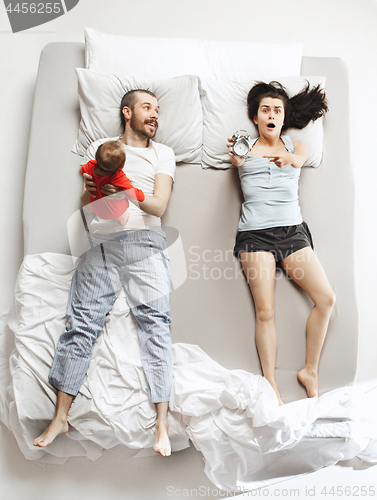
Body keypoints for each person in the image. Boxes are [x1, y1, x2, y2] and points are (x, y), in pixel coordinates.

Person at [34, 89, 175, 456]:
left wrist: (127, 192)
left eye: (158, 110)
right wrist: (95, 193)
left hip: (145, 241)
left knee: (155, 324)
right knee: (81, 323)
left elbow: (159, 206)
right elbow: (86, 201)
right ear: (127, 112)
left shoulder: (163, 154)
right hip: (103, 241)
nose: (155, 115)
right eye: (148, 108)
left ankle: (162, 423)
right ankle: (60, 416)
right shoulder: (100, 146)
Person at [228, 81, 335, 406]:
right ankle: (270, 383)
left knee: (326, 299)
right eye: (265, 110)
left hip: (291, 231)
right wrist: (237, 151)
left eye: (277, 110)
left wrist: (288, 159)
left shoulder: (296, 145)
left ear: (284, 116)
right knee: (265, 311)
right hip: (255, 235)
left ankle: (310, 371)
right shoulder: (243, 147)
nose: (271, 115)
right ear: (256, 117)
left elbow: (299, 160)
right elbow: (235, 161)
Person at [80, 140, 145, 226]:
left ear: (96, 157)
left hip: (97, 210)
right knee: (121, 199)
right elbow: (133, 193)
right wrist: (141, 195)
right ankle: (121, 219)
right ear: (121, 166)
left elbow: (82, 170)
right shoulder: (118, 177)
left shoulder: (90, 166)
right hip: (115, 212)